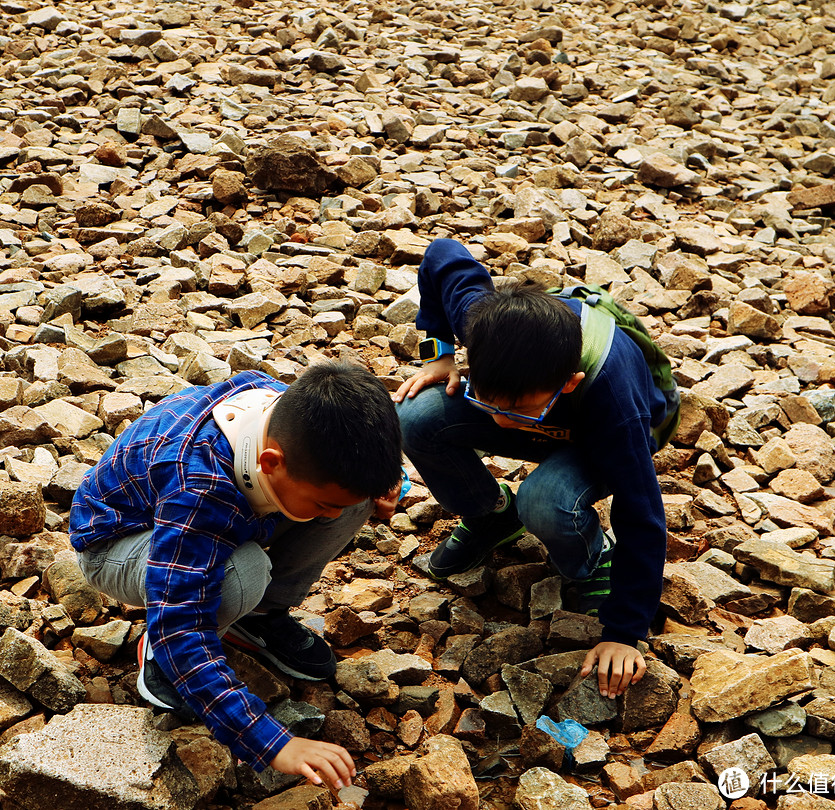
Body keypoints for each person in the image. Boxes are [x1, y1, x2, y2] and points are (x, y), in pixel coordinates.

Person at [70, 363, 403, 790]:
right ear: (270, 463)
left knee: (356, 500)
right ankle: (164, 659)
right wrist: (273, 743)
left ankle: (259, 617)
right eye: (322, 504)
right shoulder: (201, 487)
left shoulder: (291, 414)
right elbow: (181, 626)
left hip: (210, 517)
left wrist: (393, 481)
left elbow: (361, 455)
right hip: (119, 542)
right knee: (241, 573)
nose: (331, 516)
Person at [393, 238, 673, 701]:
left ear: (569, 382)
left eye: (518, 408)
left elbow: (642, 511)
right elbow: (442, 255)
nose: (500, 421)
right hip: (546, 417)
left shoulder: (614, 402)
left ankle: (588, 560)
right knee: (414, 417)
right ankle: (491, 517)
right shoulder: (483, 323)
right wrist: (439, 354)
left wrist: (625, 631)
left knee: (545, 501)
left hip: (593, 434)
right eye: (487, 399)